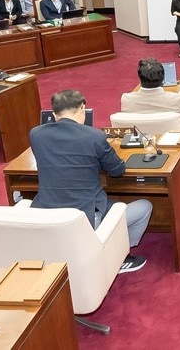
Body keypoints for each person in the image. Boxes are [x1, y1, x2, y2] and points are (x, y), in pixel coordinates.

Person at [30, 89, 150, 273]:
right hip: (85, 216)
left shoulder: (36, 134)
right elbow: (117, 171)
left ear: (54, 114)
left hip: (46, 212)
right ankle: (118, 256)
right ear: (83, 108)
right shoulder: (94, 136)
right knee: (144, 206)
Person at [121, 58, 180, 126]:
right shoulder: (176, 99)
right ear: (163, 79)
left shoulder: (126, 99)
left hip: (142, 138)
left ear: (140, 79)